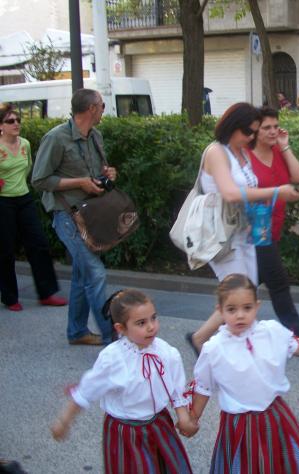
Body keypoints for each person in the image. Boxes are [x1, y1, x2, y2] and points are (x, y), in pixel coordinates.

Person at [186, 103, 299, 352]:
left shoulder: (241, 151)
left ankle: (205, 339)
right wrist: (275, 192)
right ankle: (227, 345)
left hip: (244, 232)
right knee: (239, 295)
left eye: (254, 131)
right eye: (249, 131)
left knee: (243, 294)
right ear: (232, 127)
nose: (252, 137)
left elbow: (249, 189)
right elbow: (230, 193)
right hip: (223, 235)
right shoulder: (217, 151)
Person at [190, 273, 299, 473]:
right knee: (244, 465)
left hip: (274, 416)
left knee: (278, 462)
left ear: (257, 306)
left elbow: (297, 345)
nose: (240, 315)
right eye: (231, 309)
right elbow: (203, 387)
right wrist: (193, 418)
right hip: (239, 424)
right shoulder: (214, 348)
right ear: (220, 310)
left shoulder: (270, 332)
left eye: (247, 308)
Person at [50, 289, 197, 473]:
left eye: (153, 318)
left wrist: (183, 417)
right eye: (141, 323)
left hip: (159, 424)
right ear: (120, 328)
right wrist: (64, 421)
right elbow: (86, 391)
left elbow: (175, 387)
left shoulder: (165, 351)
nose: (151, 327)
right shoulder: (113, 359)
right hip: (125, 432)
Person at [31, 89, 115, 345]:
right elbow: (39, 180)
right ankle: (113, 338)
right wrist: (80, 182)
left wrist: (107, 174)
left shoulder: (95, 136)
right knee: (95, 273)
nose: (103, 110)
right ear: (91, 108)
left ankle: (77, 331)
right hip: (66, 215)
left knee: (81, 274)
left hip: (90, 214)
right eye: (102, 105)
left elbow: (96, 173)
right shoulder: (56, 138)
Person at [246, 106, 299, 343]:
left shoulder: (278, 151)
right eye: (267, 127)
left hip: (272, 230)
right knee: (278, 284)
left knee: (245, 288)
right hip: (255, 233)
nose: (273, 131)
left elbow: (298, 177)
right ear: (255, 131)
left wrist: (285, 145)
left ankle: (210, 334)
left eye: (276, 126)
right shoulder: (245, 156)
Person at [0, 103, 67, 312]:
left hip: (24, 198)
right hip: (3, 201)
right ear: (1, 126)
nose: (16, 124)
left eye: (18, 120)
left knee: (39, 244)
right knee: (5, 250)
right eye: (10, 121)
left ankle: (46, 293)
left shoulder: (25, 144)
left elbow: (28, 168)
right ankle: (10, 297)